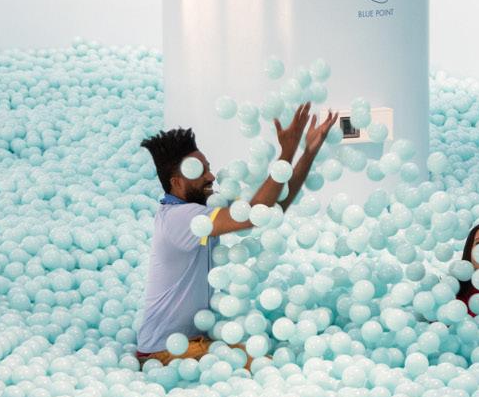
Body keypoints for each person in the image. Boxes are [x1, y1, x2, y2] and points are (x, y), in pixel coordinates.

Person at [134, 104, 339, 366]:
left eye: (208, 167)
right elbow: (254, 213)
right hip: (162, 352)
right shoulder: (178, 218)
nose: (211, 176)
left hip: (196, 341)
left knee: (265, 362)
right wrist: (287, 151)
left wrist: (308, 152)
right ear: (177, 182)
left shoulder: (203, 210)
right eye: (200, 172)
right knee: (267, 367)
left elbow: (272, 207)